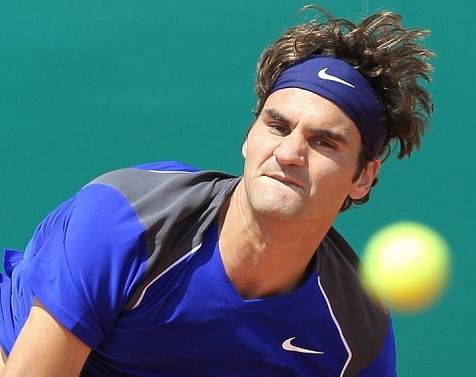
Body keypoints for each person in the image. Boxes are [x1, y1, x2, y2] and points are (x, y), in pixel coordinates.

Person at [0, 6, 433, 377]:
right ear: (249, 137)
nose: (289, 153)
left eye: (323, 141)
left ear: (363, 176)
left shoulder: (357, 332)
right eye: (277, 126)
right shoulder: (128, 219)